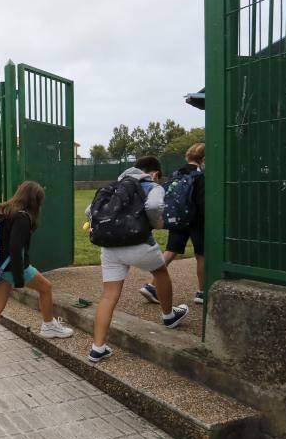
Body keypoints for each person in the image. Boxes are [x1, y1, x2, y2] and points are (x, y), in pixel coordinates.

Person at [86, 157, 189, 363]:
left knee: (108, 296)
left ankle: (97, 348)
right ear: (154, 173)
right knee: (160, 272)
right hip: (138, 242)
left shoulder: (113, 186)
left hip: (109, 247)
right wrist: (155, 223)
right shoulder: (152, 185)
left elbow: (90, 211)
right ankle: (169, 316)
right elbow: (153, 206)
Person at [0, 181, 73, 362]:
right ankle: (48, 326)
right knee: (46, 287)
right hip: (12, 267)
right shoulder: (23, 217)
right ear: (34, 200)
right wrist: (19, 277)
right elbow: (16, 248)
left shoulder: (4, 211)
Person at [139, 143, 206, 304]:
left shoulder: (177, 174)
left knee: (170, 251)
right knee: (201, 255)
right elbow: (202, 202)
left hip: (178, 219)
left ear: (187, 157)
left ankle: (151, 285)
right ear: (202, 159)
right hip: (196, 220)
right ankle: (202, 292)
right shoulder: (200, 176)